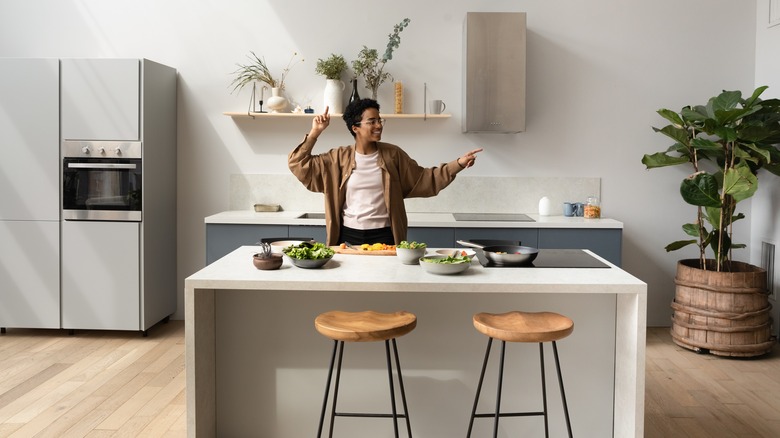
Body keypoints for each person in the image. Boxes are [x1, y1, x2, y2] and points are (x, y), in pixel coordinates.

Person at [288, 98, 483, 246]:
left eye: (379, 120)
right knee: (350, 292)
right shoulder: (336, 158)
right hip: (347, 238)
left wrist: (458, 163)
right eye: (372, 121)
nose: (379, 125)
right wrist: (315, 133)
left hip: (386, 237)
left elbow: (425, 179)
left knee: (386, 293)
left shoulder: (393, 155)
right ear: (355, 128)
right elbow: (298, 163)